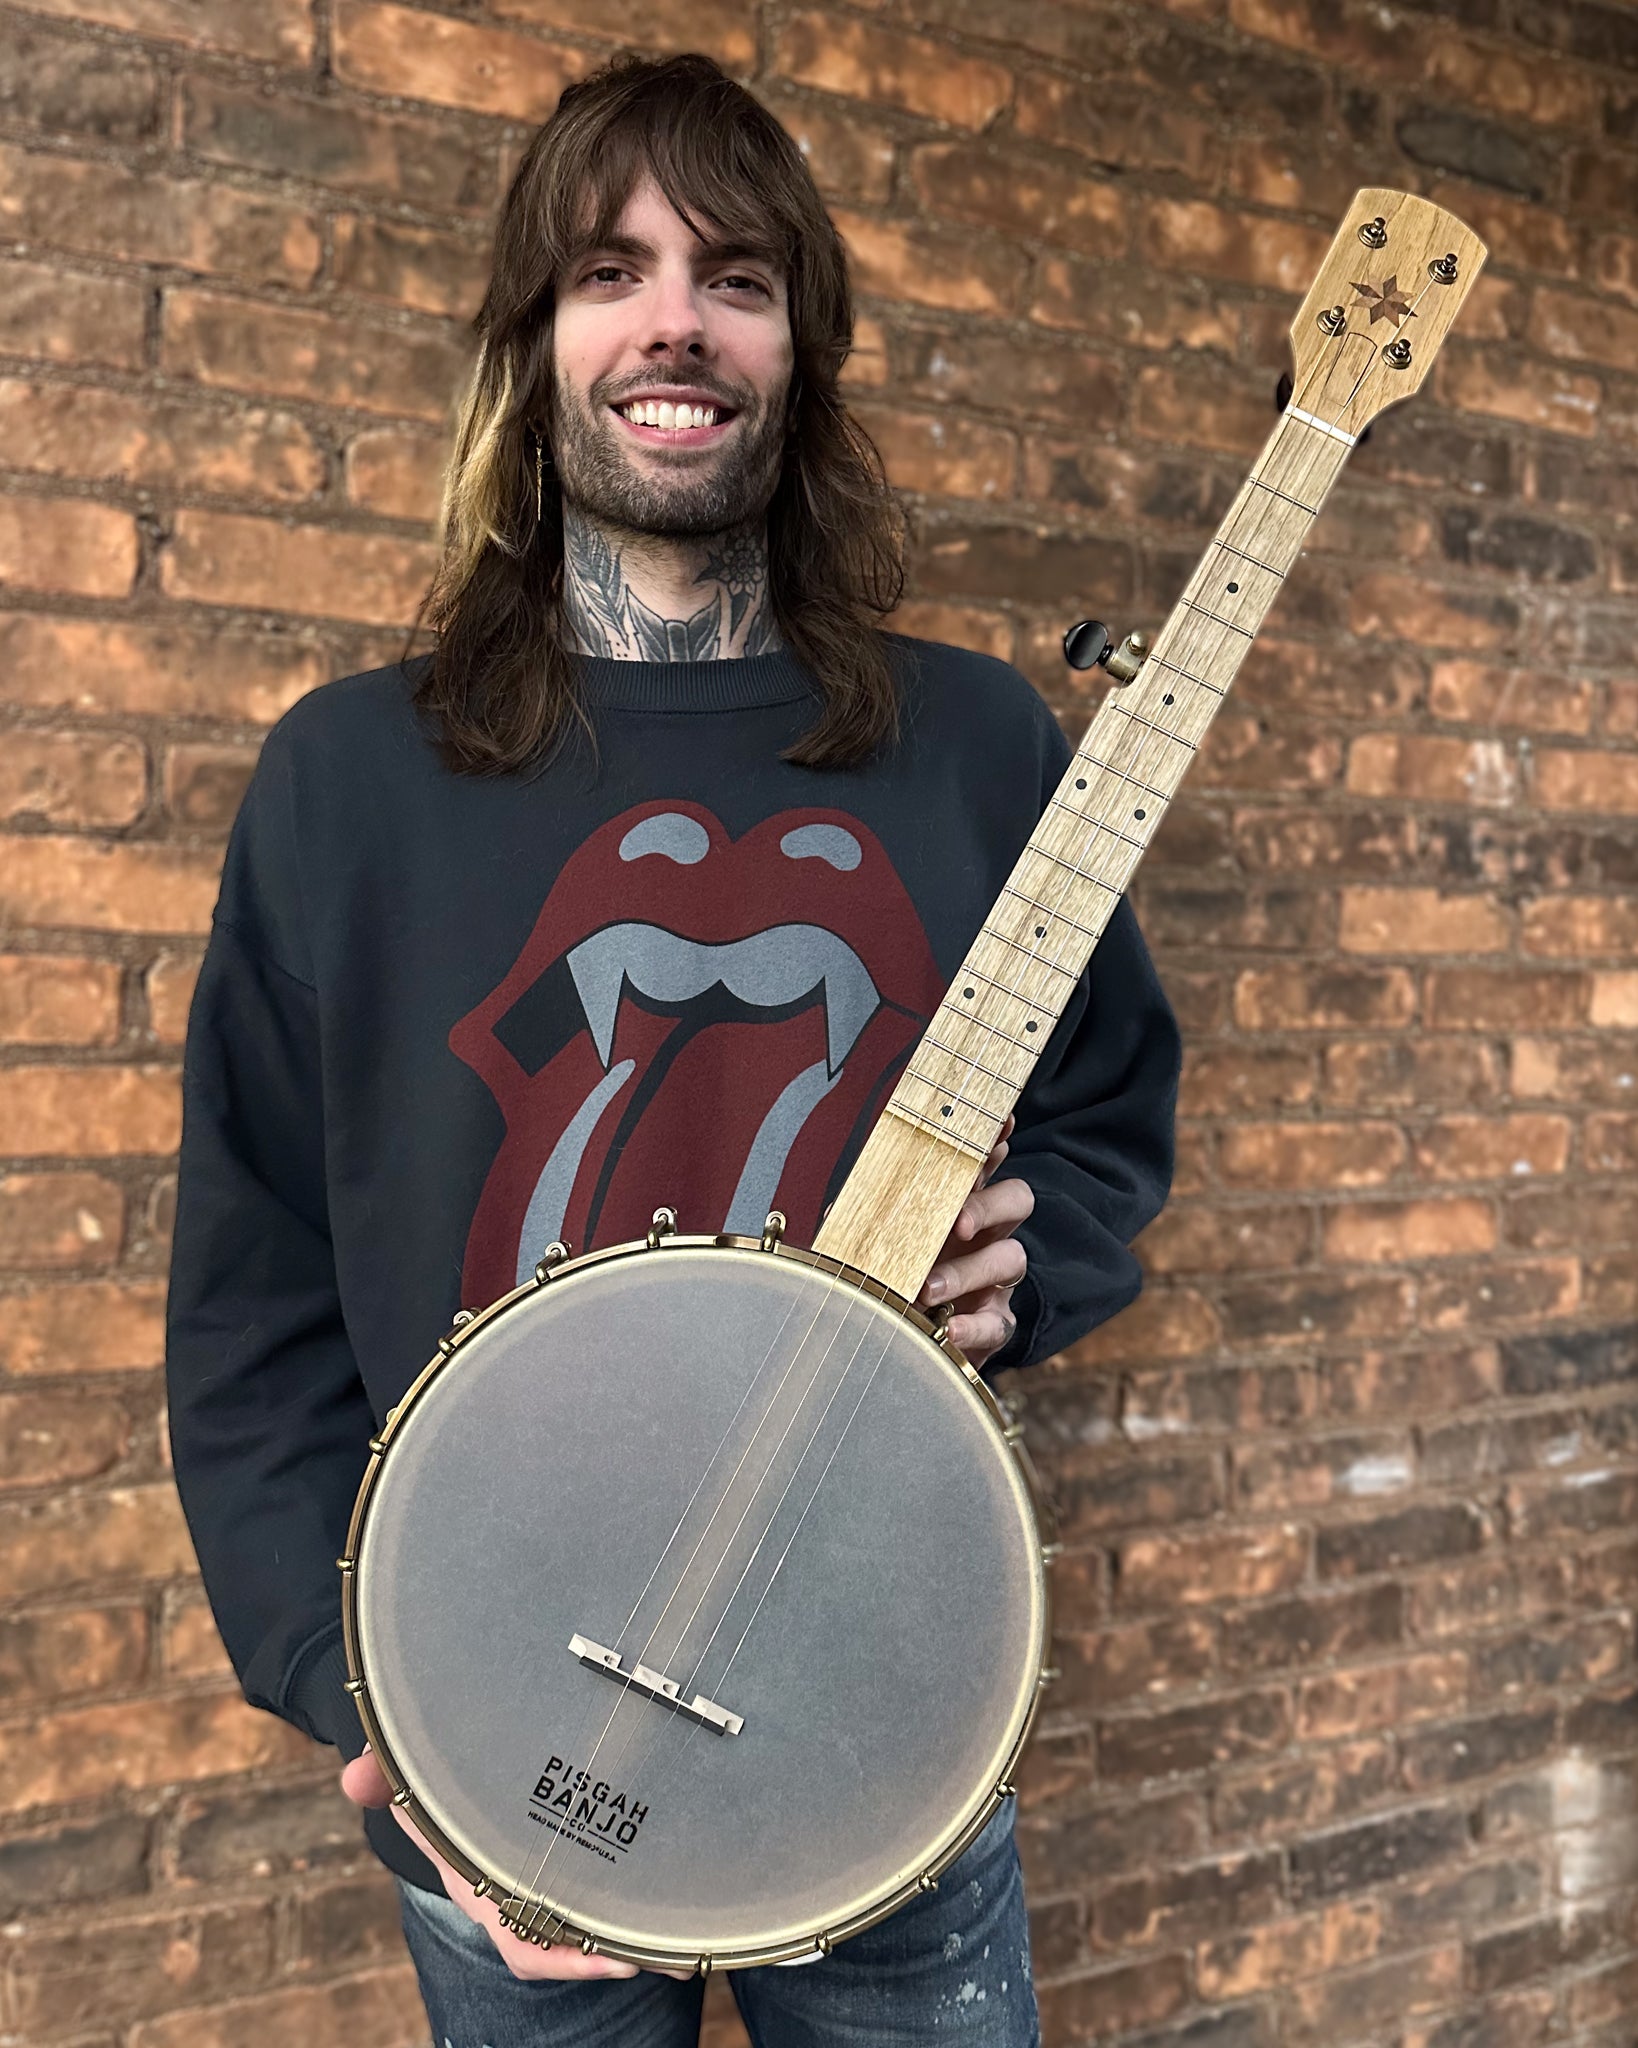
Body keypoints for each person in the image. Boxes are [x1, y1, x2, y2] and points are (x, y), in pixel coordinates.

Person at [164, 49, 1181, 2048]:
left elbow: (1105, 1102)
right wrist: (370, 1698)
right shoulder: (342, 783)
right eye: (609, 269)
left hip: (889, 1715)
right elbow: (253, 1290)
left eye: (736, 273)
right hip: (503, 1757)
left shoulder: (977, 750)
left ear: (801, 343)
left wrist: (1032, 1251)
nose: (673, 322)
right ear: (530, 338)